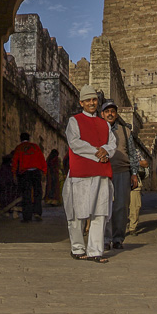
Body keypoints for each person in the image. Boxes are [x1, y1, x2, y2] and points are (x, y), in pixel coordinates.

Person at [62, 84, 116, 263]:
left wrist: (106, 151)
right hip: (81, 172)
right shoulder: (74, 121)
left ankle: (95, 250)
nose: (91, 103)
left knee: (99, 212)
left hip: (101, 172)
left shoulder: (105, 124)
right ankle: (77, 248)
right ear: (81, 103)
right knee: (78, 212)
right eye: (87, 100)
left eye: (94, 100)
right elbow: (75, 143)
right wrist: (96, 153)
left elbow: (112, 143)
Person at [100, 100, 139, 249]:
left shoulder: (125, 131)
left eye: (113, 111)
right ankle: (105, 238)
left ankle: (118, 238)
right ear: (102, 114)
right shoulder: (99, 129)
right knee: (104, 206)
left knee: (121, 206)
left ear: (116, 114)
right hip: (103, 172)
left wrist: (134, 173)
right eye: (107, 111)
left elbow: (132, 153)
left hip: (122, 171)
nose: (110, 114)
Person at [11, 132, 47, 223]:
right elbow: (42, 159)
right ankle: (37, 212)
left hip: (25, 173)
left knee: (26, 194)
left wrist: (14, 174)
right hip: (36, 172)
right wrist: (44, 172)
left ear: (20, 139)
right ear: (29, 138)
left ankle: (27, 217)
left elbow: (15, 162)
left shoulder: (19, 148)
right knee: (37, 192)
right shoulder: (35, 147)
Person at [127, 154, 150, 235]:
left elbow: (145, 164)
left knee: (135, 206)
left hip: (135, 182)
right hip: (120, 180)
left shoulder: (134, 152)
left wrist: (133, 162)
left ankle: (132, 227)